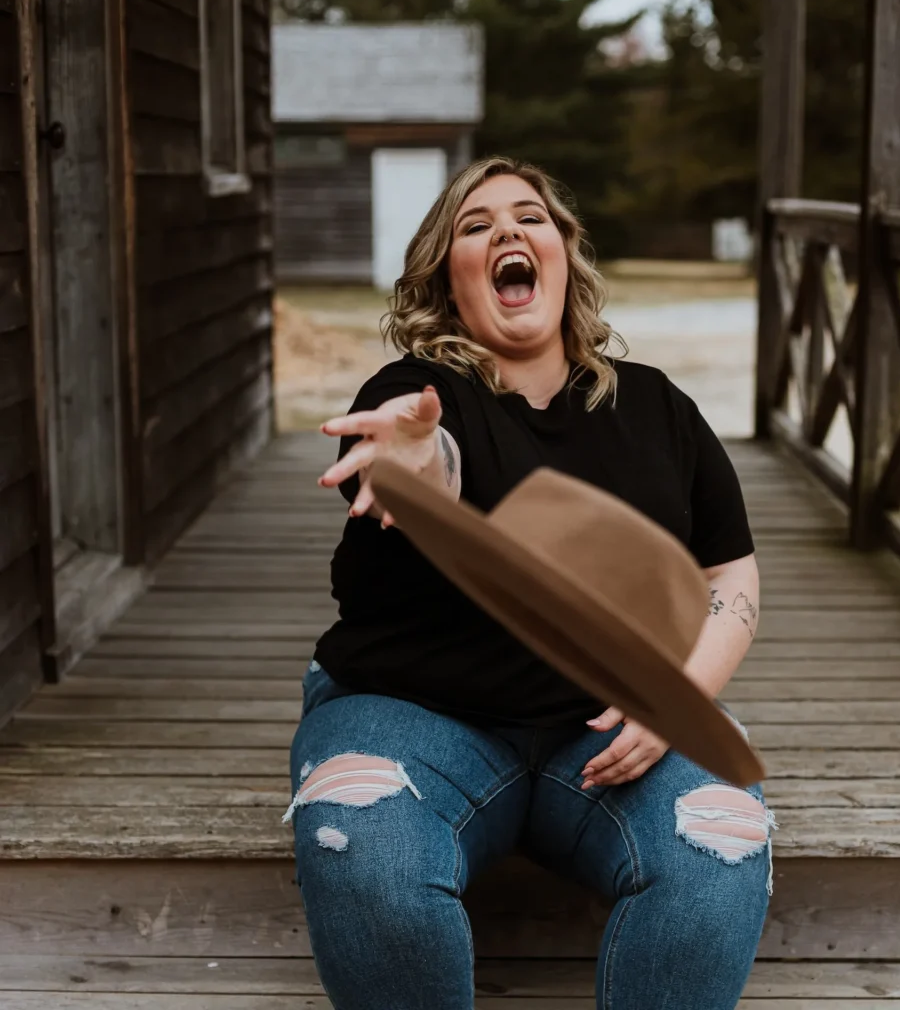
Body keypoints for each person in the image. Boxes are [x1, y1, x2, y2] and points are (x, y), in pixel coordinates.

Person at [284, 156, 771, 1010]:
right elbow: (429, 465)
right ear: (449, 277)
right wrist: (414, 457)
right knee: (357, 830)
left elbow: (729, 569)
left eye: (529, 217)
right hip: (414, 714)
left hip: (608, 728)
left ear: (565, 251)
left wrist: (683, 697)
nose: (507, 231)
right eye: (476, 226)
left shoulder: (659, 409)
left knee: (721, 841)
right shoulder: (415, 395)